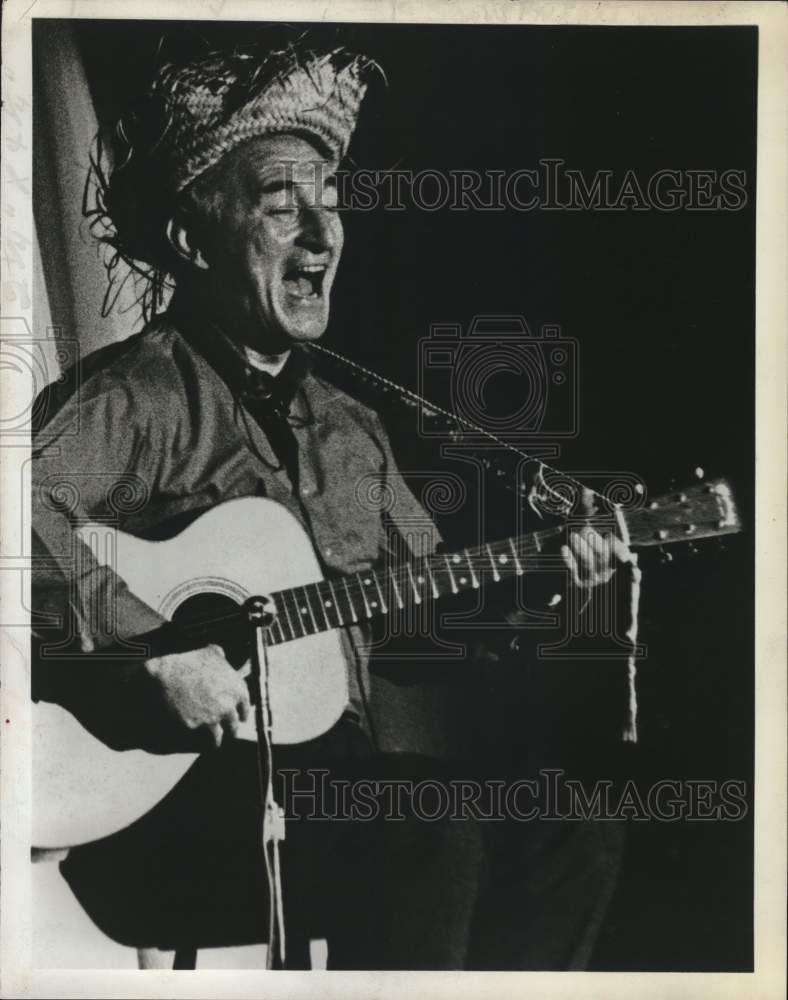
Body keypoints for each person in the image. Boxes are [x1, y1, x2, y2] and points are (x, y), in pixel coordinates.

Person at [31, 39, 628, 969]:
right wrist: (151, 652)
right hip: (162, 818)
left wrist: (543, 580)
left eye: (332, 204)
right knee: (430, 831)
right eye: (282, 206)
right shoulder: (136, 398)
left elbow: (418, 621)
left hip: (339, 792)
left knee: (571, 831)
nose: (322, 236)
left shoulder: (352, 428)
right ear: (194, 241)